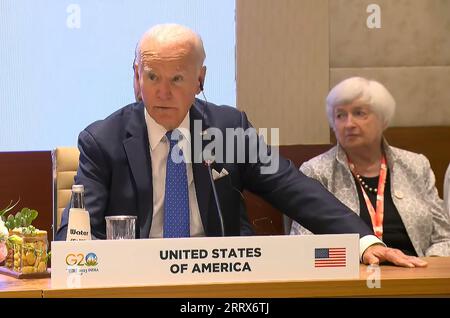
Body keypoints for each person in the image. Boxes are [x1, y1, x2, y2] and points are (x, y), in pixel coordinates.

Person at [56, 24, 426, 267]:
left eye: (177, 78)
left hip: (221, 280)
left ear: (200, 79)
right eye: (151, 76)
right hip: (137, 283)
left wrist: (363, 240)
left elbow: (291, 188)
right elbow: (74, 236)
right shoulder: (103, 140)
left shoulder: (227, 128)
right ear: (136, 75)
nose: (162, 92)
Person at [290, 77, 450, 257]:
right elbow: (303, 243)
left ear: (384, 120)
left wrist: (427, 272)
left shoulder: (416, 166)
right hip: (351, 277)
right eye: (340, 115)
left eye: (359, 113)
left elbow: (444, 238)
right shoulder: (317, 171)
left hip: (416, 274)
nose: (349, 124)